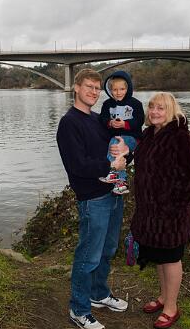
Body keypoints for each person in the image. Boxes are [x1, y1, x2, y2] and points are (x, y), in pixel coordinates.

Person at [56, 68, 130, 329]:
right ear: (76, 87)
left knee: (108, 250)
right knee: (88, 255)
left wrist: (125, 152)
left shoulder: (98, 120)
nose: (94, 92)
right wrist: (111, 166)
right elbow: (77, 165)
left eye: (97, 88)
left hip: (113, 193)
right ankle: (79, 309)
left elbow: (117, 150)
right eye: (89, 86)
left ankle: (98, 293)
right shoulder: (69, 123)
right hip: (92, 199)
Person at [130, 92, 190, 329]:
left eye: (160, 108)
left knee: (171, 260)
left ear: (170, 110)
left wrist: (173, 208)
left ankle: (171, 307)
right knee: (159, 258)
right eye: (152, 108)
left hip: (171, 215)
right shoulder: (149, 134)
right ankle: (163, 297)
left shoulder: (180, 137)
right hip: (149, 213)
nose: (154, 112)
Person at [99, 70, 144, 195]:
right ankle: (121, 183)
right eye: (115, 90)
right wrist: (110, 123)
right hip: (116, 138)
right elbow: (102, 119)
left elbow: (140, 120)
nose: (118, 92)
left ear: (127, 88)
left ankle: (114, 173)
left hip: (133, 138)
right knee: (114, 147)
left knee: (114, 144)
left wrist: (125, 124)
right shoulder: (107, 104)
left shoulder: (135, 104)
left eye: (122, 89)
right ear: (110, 90)